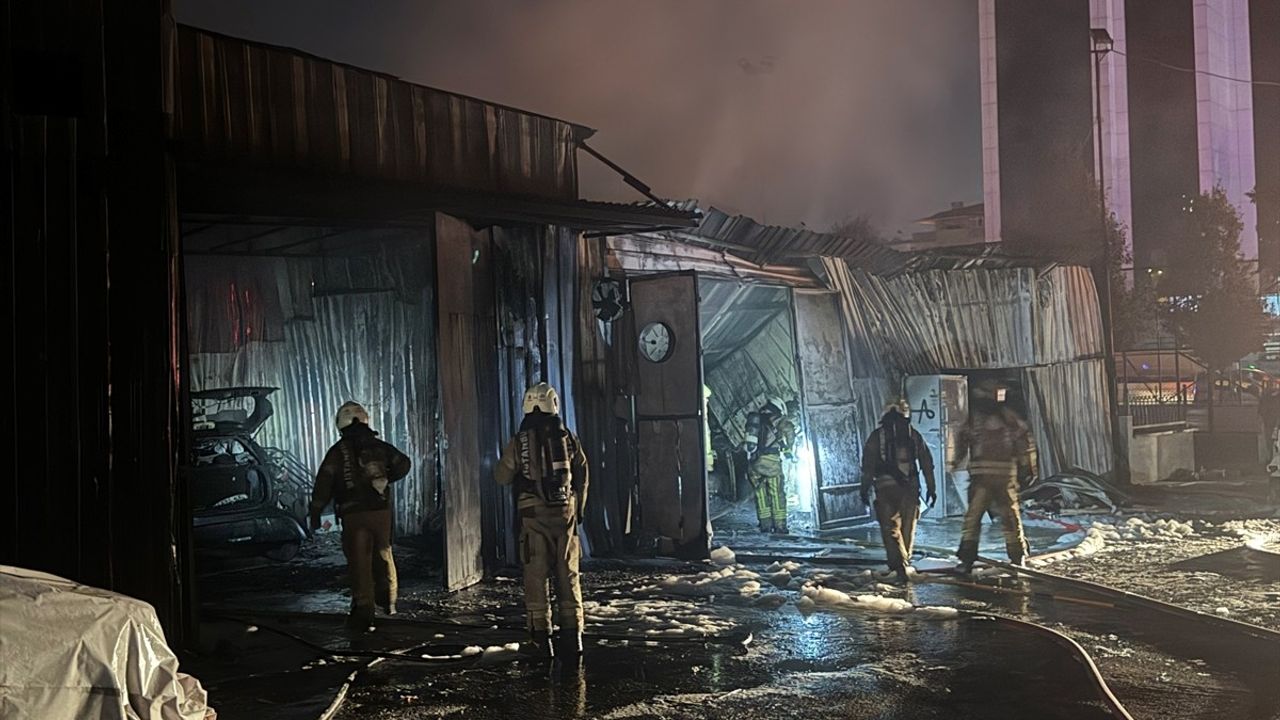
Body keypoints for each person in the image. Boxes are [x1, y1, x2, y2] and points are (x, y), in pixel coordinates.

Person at [496, 382, 590, 658]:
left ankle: (541, 638)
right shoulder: (569, 438)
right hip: (565, 515)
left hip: (532, 517)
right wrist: (579, 510)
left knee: (536, 575)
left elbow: (502, 477)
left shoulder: (519, 440)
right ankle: (573, 638)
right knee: (568, 573)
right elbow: (583, 476)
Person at [308, 402, 412, 630]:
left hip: (353, 514)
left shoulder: (337, 452)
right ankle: (389, 602)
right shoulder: (381, 447)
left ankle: (364, 611)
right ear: (365, 420)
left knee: (359, 560)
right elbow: (403, 463)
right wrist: (386, 479)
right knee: (384, 552)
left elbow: (324, 483)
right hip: (380, 511)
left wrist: (315, 512)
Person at [952, 380, 1036, 573]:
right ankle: (1014, 557)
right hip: (993, 478)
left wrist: (957, 461)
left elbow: (962, 439)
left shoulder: (994, 420)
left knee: (985, 519)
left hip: (990, 479)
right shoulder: (1005, 420)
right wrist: (1028, 468)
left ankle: (1013, 557)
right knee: (1002, 519)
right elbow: (1025, 443)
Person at [860, 399, 936, 585]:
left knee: (890, 528)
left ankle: (898, 565)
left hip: (885, 489)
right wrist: (931, 488)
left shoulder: (877, 436)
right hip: (910, 488)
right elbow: (927, 462)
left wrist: (864, 489)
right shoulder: (912, 434)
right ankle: (905, 561)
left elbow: (868, 466)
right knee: (908, 527)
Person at [744, 397, 795, 534]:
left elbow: (749, 444)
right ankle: (780, 526)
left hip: (754, 464)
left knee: (760, 495)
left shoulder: (755, 420)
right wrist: (789, 449)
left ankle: (765, 526)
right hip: (771, 463)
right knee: (776, 494)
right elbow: (789, 435)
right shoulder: (780, 420)